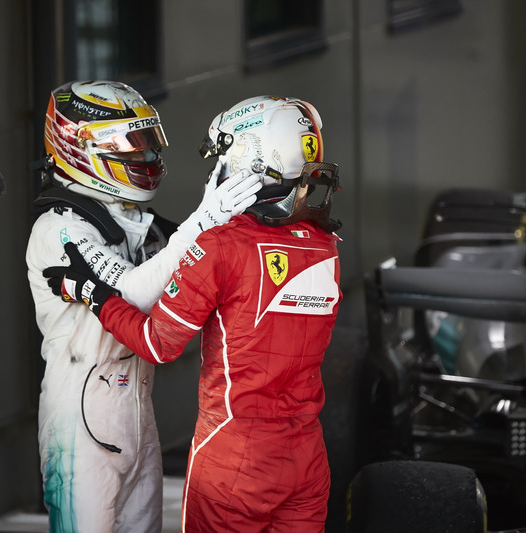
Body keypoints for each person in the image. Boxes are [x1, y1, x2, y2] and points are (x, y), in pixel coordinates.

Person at [44, 95, 343, 532]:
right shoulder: (326, 247)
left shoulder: (221, 246)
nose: (216, 168)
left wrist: (91, 293)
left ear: (249, 160)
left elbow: (157, 343)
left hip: (234, 458)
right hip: (309, 461)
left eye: (223, 155)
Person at [26, 80, 261, 533]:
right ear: (83, 148)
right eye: (133, 149)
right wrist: (201, 222)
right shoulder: (59, 229)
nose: (147, 160)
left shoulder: (138, 223)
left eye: (150, 147)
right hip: (79, 420)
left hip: (138, 416)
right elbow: (131, 294)